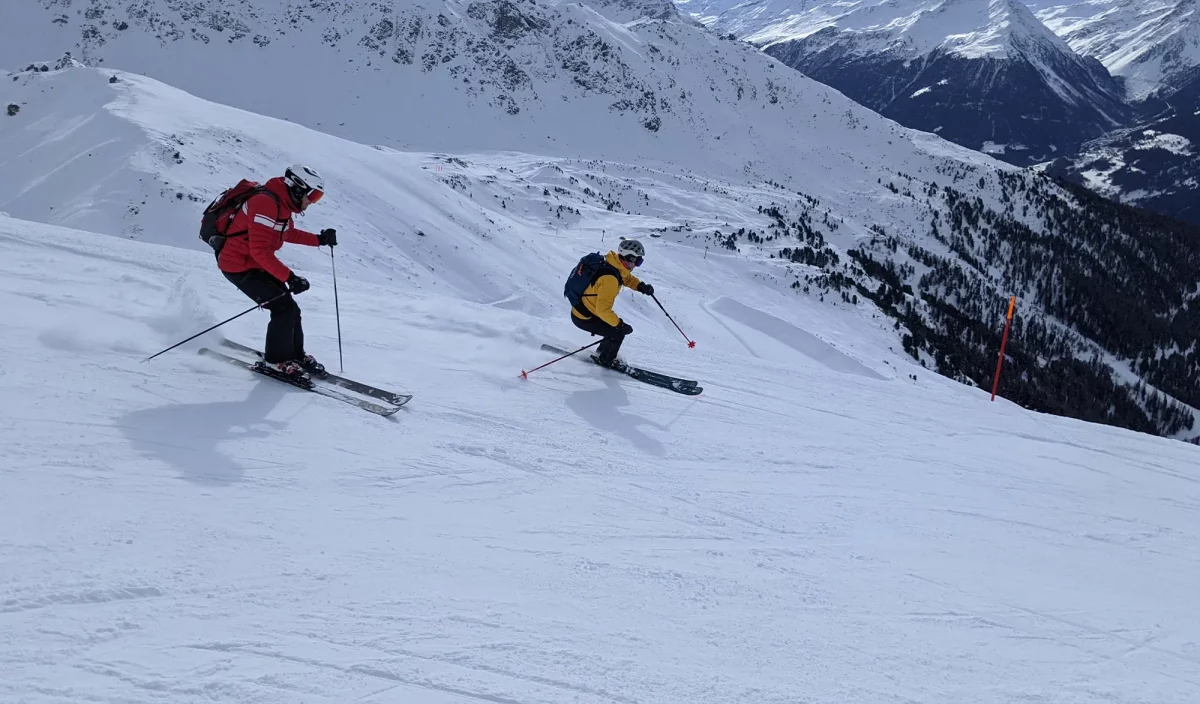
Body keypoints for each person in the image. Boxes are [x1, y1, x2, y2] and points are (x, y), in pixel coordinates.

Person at [216, 165, 338, 379]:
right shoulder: (265, 203)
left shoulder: (281, 204)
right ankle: (276, 361)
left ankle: (295, 355)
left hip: (254, 263)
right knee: (283, 309)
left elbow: (287, 233)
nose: (312, 201)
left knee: (291, 309)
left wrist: (319, 240)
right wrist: (290, 277)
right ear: (298, 188)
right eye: (313, 195)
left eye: (317, 197)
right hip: (237, 265)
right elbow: (259, 250)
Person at [568, 238, 655, 371]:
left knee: (613, 328)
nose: (637, 265)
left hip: (585, 310)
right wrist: (620, 325)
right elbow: (603, 310)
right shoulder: (609, 279)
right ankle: (606, 361)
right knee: (617, 332)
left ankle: (601, 354)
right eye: (637, 261)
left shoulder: (614, 264)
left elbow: (625, 278)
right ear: (628, 258)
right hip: (584, 316)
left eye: (640, 261)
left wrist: (640, 286)